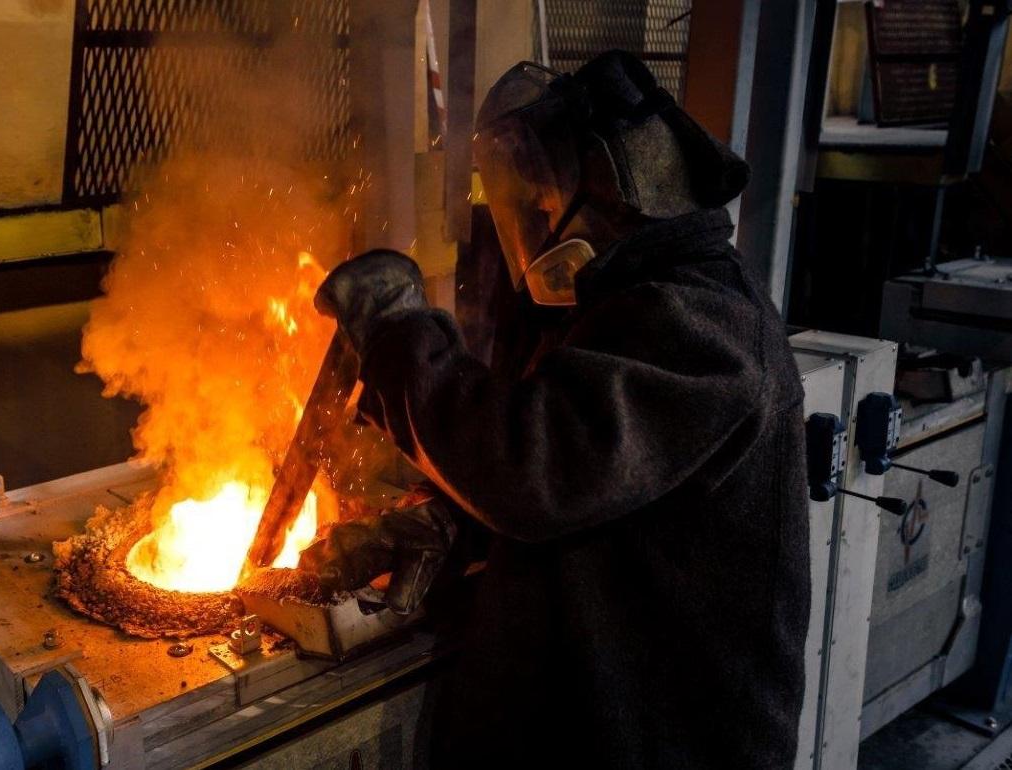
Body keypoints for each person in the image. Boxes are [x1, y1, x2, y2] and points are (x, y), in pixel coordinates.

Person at [300, 50, 809, 768]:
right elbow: (602, 484)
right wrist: (449, 519)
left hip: (669, 743)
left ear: (610, 193)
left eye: (542, 203)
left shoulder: (704, 331)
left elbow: (533, 471)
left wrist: (397, 336)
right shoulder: (622, 303)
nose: (536, 218)